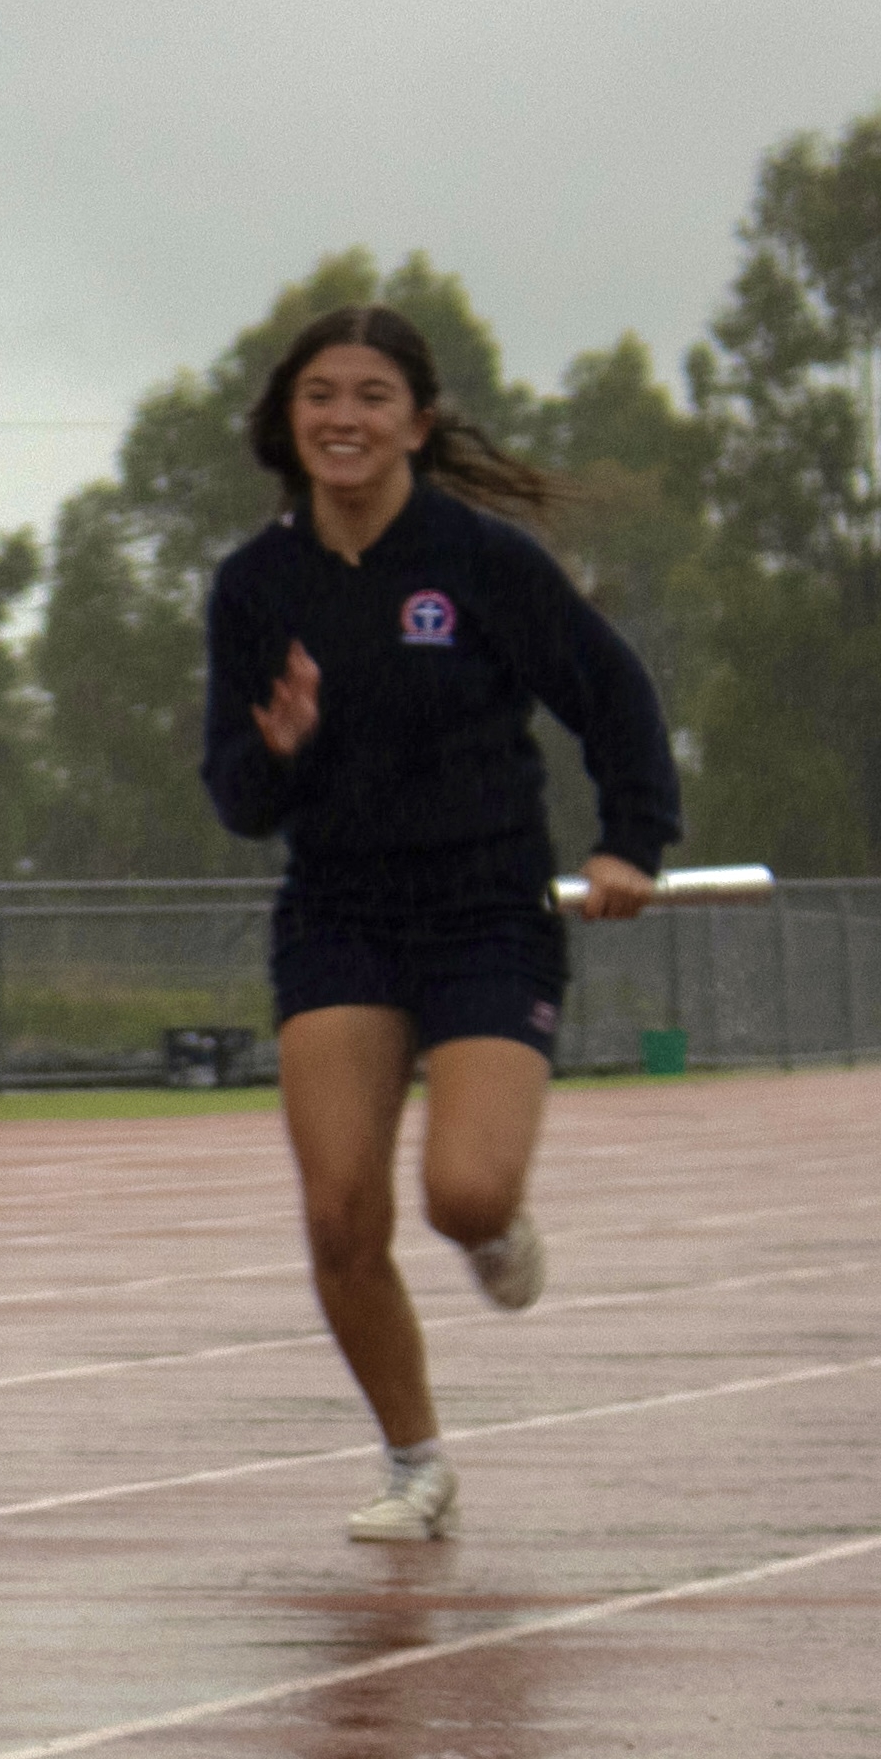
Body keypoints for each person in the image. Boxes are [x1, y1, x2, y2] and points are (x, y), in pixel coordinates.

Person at [199, 304, 681, 1547]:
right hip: (341, 916)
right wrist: (280, 748)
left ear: (416, 419)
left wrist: (633, 838)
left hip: (482, 911)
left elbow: (612, 693)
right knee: (338, 1214)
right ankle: (415, 1460)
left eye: (370, 396)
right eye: (320, 395)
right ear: (288, 420)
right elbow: (239, 801)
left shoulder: (481, 561)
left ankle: (497, 1224)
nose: (342, 418)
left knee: (459, 1194)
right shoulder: (256, 587)